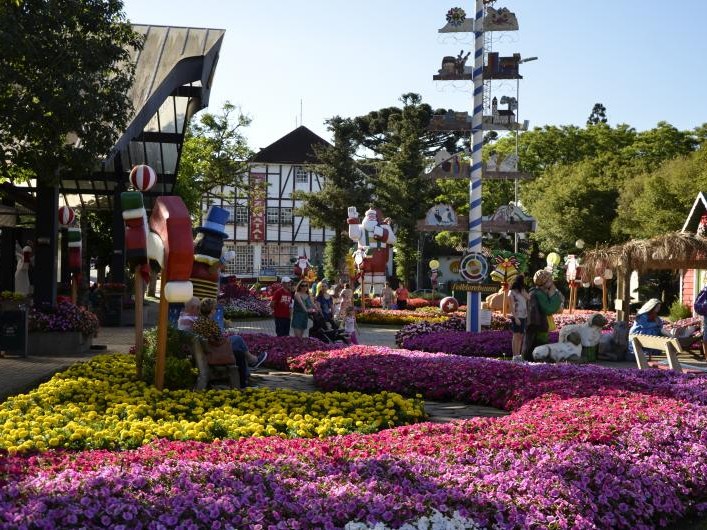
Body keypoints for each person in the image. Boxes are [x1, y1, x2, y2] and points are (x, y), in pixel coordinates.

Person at [192, 298, 267, 387]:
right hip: (214, 351)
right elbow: (219, 339)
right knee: (238, 341)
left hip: (207, 349)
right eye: (215, 309)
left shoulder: (197, 321)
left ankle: (251, 365)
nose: (216, 311)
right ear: (211, 310)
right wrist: (226, 338)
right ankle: (252, 362)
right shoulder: (210, 323)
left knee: (238, 350)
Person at [522, 270, 563, 361]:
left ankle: (533, 359)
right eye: (550, 280)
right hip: (538, 324)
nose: (552, 282)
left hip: (536, 324)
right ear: (544, 282)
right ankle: (536, 359)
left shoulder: (538, 292)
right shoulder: (538, 294)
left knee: (532, 342)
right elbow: (549, 309)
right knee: (538, 343)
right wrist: (553, 295)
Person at [508, 275, 529, 358]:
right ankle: (515, 355)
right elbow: (511, 307)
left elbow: (529, 297)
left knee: (520, 336)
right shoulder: (511, 293)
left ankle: (518, 355)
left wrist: (523, 292)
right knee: (516, 335)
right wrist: (516, 318)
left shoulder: (522, 291)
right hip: (516, 316)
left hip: (524, 316)